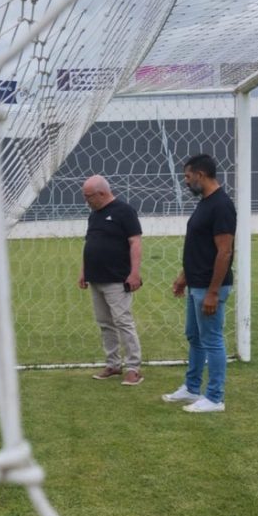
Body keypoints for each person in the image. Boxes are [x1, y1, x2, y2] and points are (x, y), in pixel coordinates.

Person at [161, 154, 235, 413]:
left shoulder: (221, 205)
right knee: (195, 336)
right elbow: (199, 246)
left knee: (212, 339)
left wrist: (213, 292)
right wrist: (184, 276)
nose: (186, 182)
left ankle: (215, 398)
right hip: (197, 284)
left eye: (188, 176)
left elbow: (224, 252)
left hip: (210, 287)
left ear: (201, 175)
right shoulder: (205, 203)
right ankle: (192, 387)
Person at [78, 174, 145, 386]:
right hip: (96, 278)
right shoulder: (94, 215)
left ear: (102, 193)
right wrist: (83, 271)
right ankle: (113, 364)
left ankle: (134, 368)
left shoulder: (124, 211)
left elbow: (135, 243)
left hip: (117, 279)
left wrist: (134, 273)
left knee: (123, 322)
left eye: (88, 196)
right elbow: (89, 244)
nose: (86, 201)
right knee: (105, 323)